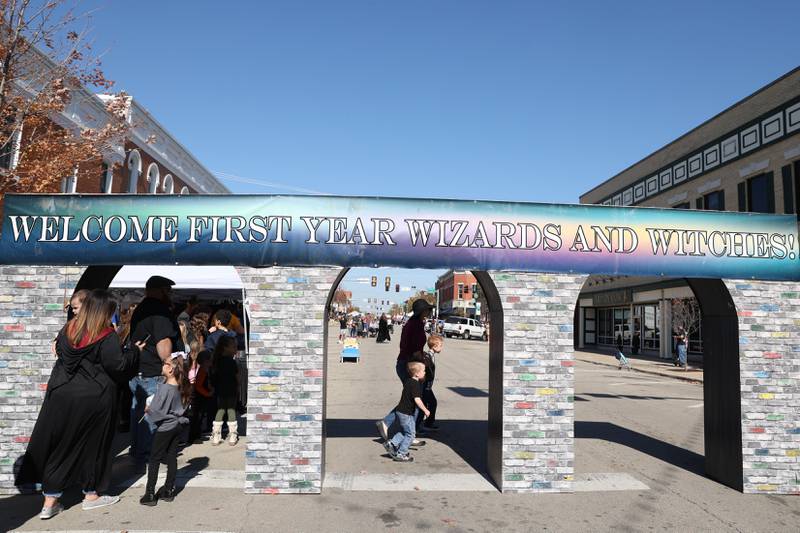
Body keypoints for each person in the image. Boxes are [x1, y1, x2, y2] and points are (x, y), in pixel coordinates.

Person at [16, 290, 143, 519]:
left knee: (62, 445)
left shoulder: (67, 330)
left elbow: (61, 354)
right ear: (104, 311)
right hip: (96, 399)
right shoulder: (105, 335)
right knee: (94, 447)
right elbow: (118, 366)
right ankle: (91, 495)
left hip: (63, 396)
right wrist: (134, 351)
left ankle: (50, 501)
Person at [128, 275, 182, 467]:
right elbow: (163, 341)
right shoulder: (159, 311)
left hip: (138, 371)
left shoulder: (141, 308)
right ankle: (148, 457)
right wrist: (169, 365)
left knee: (138, 414)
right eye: (168, 290)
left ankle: (138, 454)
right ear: (159, 290)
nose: (170, 294)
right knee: (152, 415)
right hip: (152, 372)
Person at [375, 298, 433, 443]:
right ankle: (407, 432)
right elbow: (405, 345)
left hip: (410, 363)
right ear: (421, 311)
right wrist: (417, 358)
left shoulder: (417, 324)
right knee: (414, 399)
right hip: (407, 364)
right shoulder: (414, 325)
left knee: (412, 399)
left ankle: (403, 429)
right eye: (427, 309)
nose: (429, 311)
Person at [139, 353, 192, 506]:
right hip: (177, 426)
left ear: (170, 370)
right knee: (171, 457)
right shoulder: (181, 386)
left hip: (166, 427)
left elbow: (157, 411)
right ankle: (168, 490)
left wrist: (148, 409)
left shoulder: (165, 389)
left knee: (154, 459)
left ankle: (149, 493)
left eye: (165, 363)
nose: (162, 365)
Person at [382, 361, 430, 462]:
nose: (425, 373)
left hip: (402, 411)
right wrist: (425, 410)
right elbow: (417, 400)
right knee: (411, 434)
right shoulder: (415, 385)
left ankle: (392, 443)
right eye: (423, 371)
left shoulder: (408, 381)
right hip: (406, 413)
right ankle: (401, 453)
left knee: (406, 432)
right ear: (417, 373)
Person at [211, 335, 240, 446]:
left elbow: (214, 377)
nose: (235, 349)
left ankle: (216, 435)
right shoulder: (232, 362)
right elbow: (237, 377)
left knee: (220, 410)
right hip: (231, 389)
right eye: (234, 347)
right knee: (231, 410)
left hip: (220, 391)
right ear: (225, 348)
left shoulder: (216, 361)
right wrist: (238, 387)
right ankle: (232, 435)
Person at [417, 335, 443, 432]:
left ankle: (428, 423)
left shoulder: (430, 355)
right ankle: (418, 426)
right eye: (440, 345)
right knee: (425, 405)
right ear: (434, 346)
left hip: (428, 386)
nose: (441, 347)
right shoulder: (428, 356)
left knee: (432, 403)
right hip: (426, 386)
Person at [190, 350, 214, 443]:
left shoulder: (205, 370)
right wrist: (207, 393)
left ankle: (198, 435)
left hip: (201, 397)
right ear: (206, 361)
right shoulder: (202, 371)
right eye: (211, 360)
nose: (212, 362)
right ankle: (193, 438)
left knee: (199, 418)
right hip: (199, 398)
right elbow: (198, 386)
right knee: (197, 418)